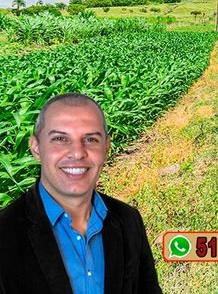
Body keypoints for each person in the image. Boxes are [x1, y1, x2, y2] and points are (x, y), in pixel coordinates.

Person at [0, 93, 162, 294]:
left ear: (106, 148)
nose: (77, 153)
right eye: (60, 139)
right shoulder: (4, 232)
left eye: (91, 139)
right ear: (36, 148)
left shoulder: (129, 220)